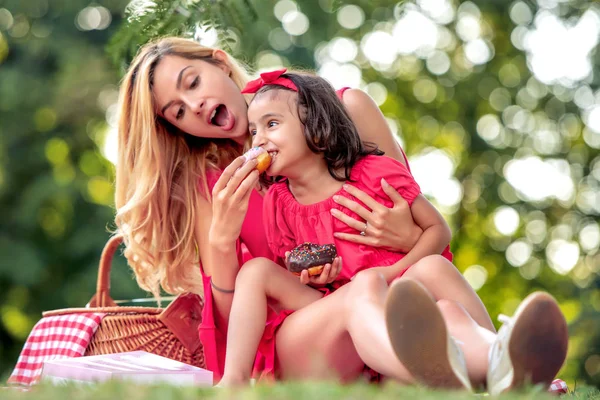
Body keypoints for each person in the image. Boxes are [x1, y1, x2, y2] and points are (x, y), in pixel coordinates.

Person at [114, 37, 568, 394]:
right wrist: (220, 242)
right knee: (362, 292)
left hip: (386, 303)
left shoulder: (344, 111)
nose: (193, 106)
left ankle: (507, 365)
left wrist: (403, 233)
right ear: (177, 128)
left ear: (219, 62)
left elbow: (426, 238)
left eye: (192, 83)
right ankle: (444, 374)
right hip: (304, 340)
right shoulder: (210, 185)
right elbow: (238, 323)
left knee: (439, 297)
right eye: (177, 111)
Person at [219, 69, 498, 390]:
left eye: (271, 124)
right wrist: (312, 278)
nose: (259, 140)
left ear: (317, 129)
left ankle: (504, 361)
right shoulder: (278, 202)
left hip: (387, 306)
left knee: (439, 282)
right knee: (255, 271)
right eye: (254, 131)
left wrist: (388, 274)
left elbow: (438, 230)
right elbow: (292, 284)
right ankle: (234, 380)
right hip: (328, 324)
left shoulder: (375, 172)